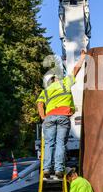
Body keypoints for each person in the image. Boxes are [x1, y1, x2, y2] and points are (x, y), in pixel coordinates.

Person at [37, 50, 86, 179]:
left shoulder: (46, 90)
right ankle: (59, 170)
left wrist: (43, 117)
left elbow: (39, 104)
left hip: (49, 118)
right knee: (60, 143)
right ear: (58, 79)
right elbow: (76, 69)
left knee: (49, 144)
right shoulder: (65, 83)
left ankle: (47, 169)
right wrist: (82, 57)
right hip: (63, 118)